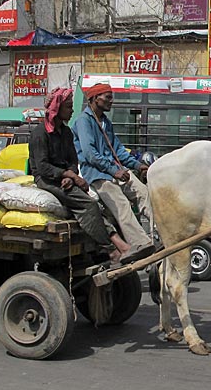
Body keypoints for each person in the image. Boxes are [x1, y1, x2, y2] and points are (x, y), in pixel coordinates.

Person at [29, 87, 135, 264]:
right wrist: (68, 174)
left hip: (65, 178)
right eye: (68, 107)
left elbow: (73, 159)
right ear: (57, 109)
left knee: (97, 205)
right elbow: (42, 167)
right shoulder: (40, 134)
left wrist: (70, 175)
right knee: (88, 204)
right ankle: (110, 249)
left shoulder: (66, 132)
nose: (72, 111)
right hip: (46, 180)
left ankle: (120, 245)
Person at [72, 83, 155, 262]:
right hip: (97, 175)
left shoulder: (105, 123)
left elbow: (118, 150)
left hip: (115, 170)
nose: (111, 101)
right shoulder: (84, 121)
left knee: (143, 192)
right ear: (95, 99)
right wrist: (113, 170)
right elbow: (90, 154)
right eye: (108, 97)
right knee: (121, 203)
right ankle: (140, 243)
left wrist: (137, 165)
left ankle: (160, 232)